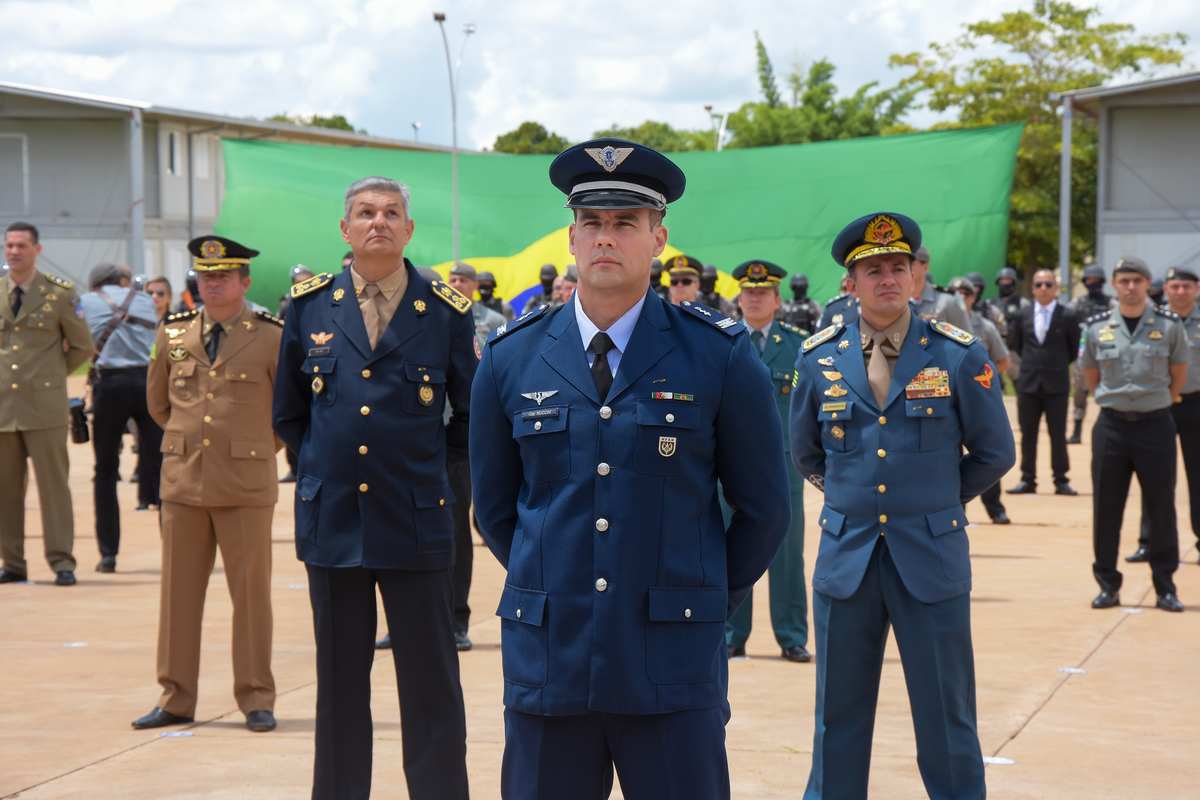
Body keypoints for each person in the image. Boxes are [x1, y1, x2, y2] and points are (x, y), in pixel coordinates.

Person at [470, 139, 790, 800]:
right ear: (572, 237)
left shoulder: (718, 356)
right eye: (592, 223)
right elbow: (498, 508)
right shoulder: (510, 358)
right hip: (550, 662)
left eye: (625, 223)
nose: (606, 238)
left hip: (672, 669)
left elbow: (764, 508)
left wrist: (704, 597)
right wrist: (553, 579)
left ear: (658, 237)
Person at [789, 212, 1014, 800]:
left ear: (916, 276)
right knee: (836, 717)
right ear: (851, 283)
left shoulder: (956, 354)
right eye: (872, 270)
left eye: (898, 267)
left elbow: (995, 452)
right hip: (846, 560)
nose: (886, 278)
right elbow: (807, 453)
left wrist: (939, 496)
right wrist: (851, 497)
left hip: (930, 557)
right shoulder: (818, 358)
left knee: (946, 718)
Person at [273, 176, 474, 800]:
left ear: (410, 229)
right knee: (338, 687)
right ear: (346, 229)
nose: (378, 222)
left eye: (392, 213)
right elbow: (289, 413)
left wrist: (428, 480)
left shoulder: (443, 310)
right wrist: (326, 475)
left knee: (431, 687)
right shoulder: (308, 308)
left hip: (417, 520)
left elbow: (468, 417)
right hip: (333, 522)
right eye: (365, 213)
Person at [134, 235, 284, 732]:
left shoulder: (270, 335)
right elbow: (158, 405)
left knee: (251, 599)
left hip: (245, 486)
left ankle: (256, 697)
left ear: (244, 282)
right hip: (183, 485)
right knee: (177, 597)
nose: (212, 283)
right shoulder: (173, 332)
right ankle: (176, 696)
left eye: (222, 276)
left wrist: (256, 449)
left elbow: (289, 411)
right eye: (204, 275)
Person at [1078, 256, 1186, 613]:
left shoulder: (1169, 325)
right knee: (1106, 508)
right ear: (1114, 283)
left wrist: (1156, 403)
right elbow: (1091, 377)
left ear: (1147, 284)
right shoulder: (1096, 327)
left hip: (1156, 425)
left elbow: (1178, 376)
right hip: (1111, 427)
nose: (1130, 287)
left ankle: (1165, 586)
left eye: (1137, 281)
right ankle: (1108, 585)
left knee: (1161, 508)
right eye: (1124, 280)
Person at [725, 259, 810, 662]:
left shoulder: (800, 345)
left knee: (788, 553)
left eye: (762, 293)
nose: (754, 298)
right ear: (738, 299)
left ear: (778, 300)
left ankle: (791, 635)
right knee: (726, 548)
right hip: (728, 464)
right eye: (748, 292)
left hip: (784, 463)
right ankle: (730, 634)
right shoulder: (720, 340)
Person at [0, 221, 94, 586]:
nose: (13, 252)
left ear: (37, 250)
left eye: (21, 245)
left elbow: (83, 345)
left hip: (45, 407)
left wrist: (51, 377)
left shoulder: (59, 294)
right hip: (4, 408)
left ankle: (61, 561)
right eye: (9, 245)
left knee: (54, 487)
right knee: (5, 490)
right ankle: (12, 562)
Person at [79, 262, 162, 572]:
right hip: (147, 384)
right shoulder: (144, 299)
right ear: (124, 281)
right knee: (160, 469)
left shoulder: (86, 302)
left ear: (96, 285)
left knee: (105, 471)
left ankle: (108, 554)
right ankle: (177, 548)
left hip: (110, 386)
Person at [1127, 265, 1200, 565]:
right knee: (1154, 478)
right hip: (1157, 408)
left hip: (1196, 406)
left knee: (1198, 477)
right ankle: (1149, 541)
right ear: (1165, 289)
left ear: (1196, 289)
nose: (1180, 292)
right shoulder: (1151, 321)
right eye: (1175, 286)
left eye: (1186, 286)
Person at [1006, 268, 1080, 496]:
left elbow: (1073, 349)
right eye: (1038, 284)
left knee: (1058, 434)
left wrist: (1053, 364)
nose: (1043, 288)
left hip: (1056, 384)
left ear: (1055, 287)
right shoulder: (1022, 316)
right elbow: (1016, 344)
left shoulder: (1067, 315)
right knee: (1028, 435)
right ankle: (1027, 479)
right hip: (1028, 384)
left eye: (1048, 284)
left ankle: (1061, 480)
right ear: (1032, 288)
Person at [950, 276, 1014, 523]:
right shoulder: (937, 326)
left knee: (988, 453)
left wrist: (977, 381)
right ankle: (955, 512)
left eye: (965, 294)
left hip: (978, 397)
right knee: (952, 457)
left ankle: (995, 509)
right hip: (947, 400)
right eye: (956, 294)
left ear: (974, 297)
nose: (961, 298)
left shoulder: (985, 326)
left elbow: (1004, 360)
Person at [1067, 264, 1116, 443]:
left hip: (1107, 355)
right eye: (1089, 280)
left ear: (1102, 282)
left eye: (1095, 280)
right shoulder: (1076, 304)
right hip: (1083, 356)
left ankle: (1110, 427)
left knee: (1109, 391)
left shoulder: (1112, 304)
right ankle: (1077, 431)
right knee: (1079, 393)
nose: (1092, 283)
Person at [910, 245, 973, 333]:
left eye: (912, 264)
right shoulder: (896, 300)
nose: (907, 268)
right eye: (903, 264)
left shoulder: (949, 299)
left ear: (925, 267)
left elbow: (966, 336)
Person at [989, 266, 1030, 383]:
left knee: (1019, 381)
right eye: (1002, 280)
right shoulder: (990, 303)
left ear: (1014, 283)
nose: (1005, 283)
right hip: (996, 348)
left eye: (1008, 280)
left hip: (1014, 349)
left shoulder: (1022, 302)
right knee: (993, 381)